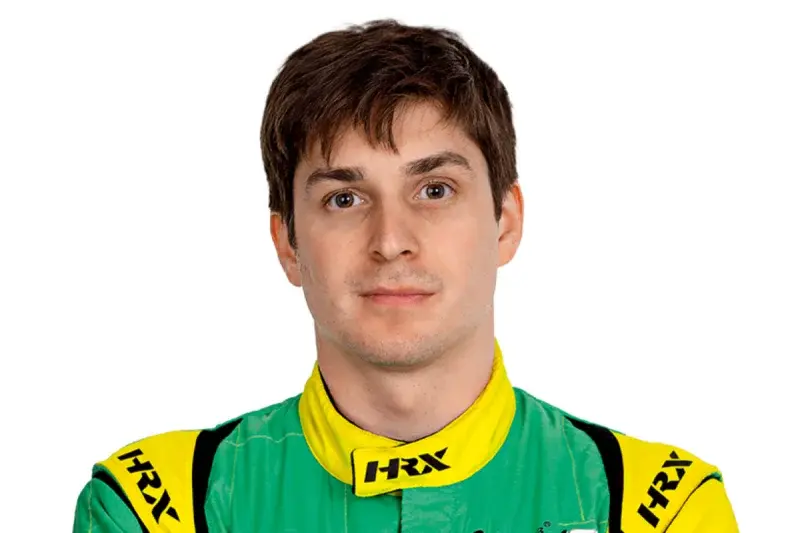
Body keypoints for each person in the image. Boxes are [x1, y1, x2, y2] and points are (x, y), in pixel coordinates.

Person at [72, 19, 739, 533]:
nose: (391, 241)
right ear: (288, 244)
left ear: (505, 222)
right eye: (344, 198)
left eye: (435, 190)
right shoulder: (161, 507)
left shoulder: (658, 508)